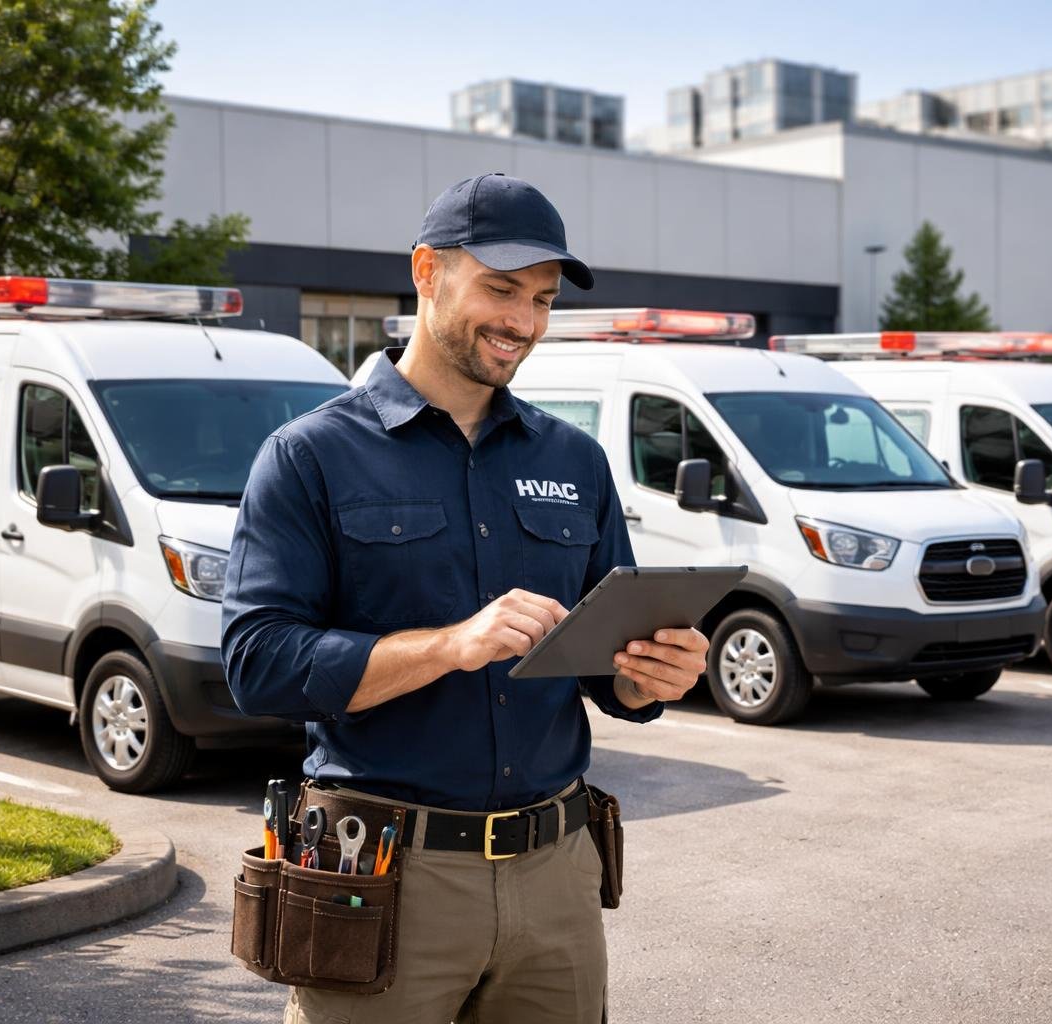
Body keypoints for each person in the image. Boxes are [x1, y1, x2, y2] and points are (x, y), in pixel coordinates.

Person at [222, 173, 709, 1023]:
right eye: (501, 288)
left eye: (543, 300)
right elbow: (258, 664)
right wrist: (451, 645)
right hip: (380, 879)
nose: (523, 322)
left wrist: (649, 677)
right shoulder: (309, 457)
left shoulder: (575, 460)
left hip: (557, 877)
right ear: (426, 272)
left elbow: (605, 665)